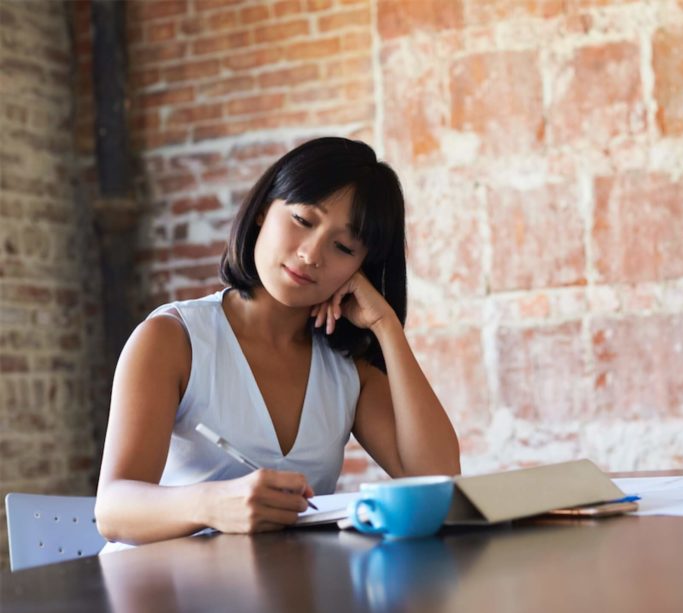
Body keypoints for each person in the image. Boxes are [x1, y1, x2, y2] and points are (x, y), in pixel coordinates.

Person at [95, 137, 460, 546]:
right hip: (160, 595)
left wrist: (387, 326)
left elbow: (439, 478)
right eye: (303, 220)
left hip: (283, 595)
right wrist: (211, 504)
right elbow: (112, 509)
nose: (311, 254)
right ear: (263, 211)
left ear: (362, 266)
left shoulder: (346, 367)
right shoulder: (173, 338)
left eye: (343, 246)